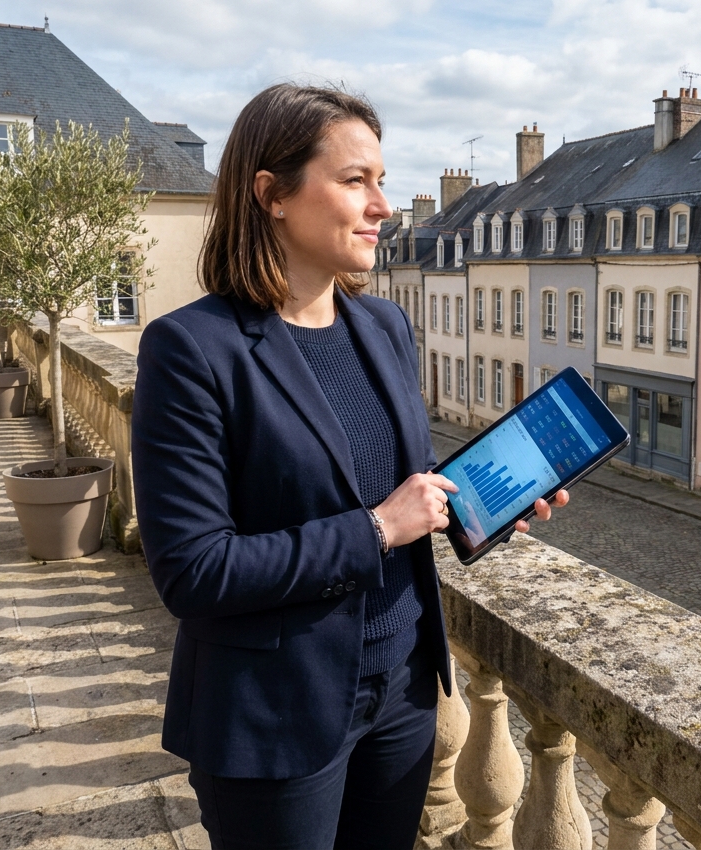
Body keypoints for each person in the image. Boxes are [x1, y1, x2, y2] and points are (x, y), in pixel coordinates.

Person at [131, 83, 567, 850]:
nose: (383, 205)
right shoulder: (192, 350)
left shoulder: (384, 324)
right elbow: (194, 571)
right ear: (271, 194)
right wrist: (375, 530)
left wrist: (487, 500)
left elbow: (400, 481)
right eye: (354, 180)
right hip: (276, 711)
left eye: (383, 180)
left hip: (402, 691)